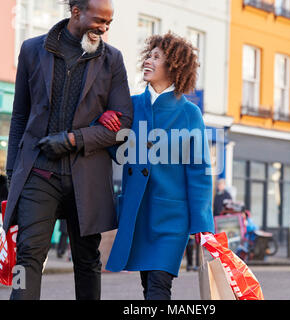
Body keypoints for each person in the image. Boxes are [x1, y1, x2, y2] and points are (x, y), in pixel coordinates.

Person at [4, 0, 133, 300]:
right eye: (99, 20)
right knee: (27, 258)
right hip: (38, 172)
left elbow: (123, 123)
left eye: (109, 23)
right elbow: (20, 115)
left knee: (88, 261)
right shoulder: (31, 50)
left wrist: (73, 139)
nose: (104, 28)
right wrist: (13, 171)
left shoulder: (112, 59)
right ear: (76, 12)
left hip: (87, 177)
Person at [104, 32, 214, 300]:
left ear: (174, 66)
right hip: (138, 213)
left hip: (171, 220)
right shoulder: (131, 105)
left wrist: (203, 225)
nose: (149, 61)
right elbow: (118, 153)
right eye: (148, 55)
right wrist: (107, 125)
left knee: (158, 287)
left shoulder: (189, 113)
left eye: (157, 57)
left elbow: (199, 171)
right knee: (147, 288)